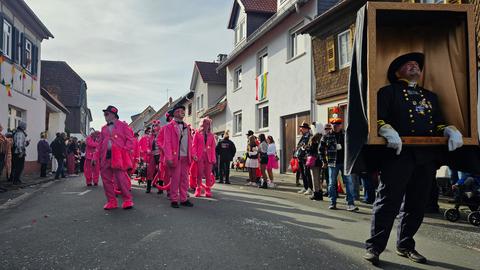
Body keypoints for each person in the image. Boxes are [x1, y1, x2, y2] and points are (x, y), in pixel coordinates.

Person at [363, 53, 463, 265]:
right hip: (398, 155)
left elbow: (437, 123)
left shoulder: (430, 96)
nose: (414, 66)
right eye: (408, 64)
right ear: (396, 71)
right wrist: (386, 129)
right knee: (387, 201)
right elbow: (377, 118)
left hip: (425, 156)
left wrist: (449, 130)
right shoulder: (388, 92)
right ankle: (375, 246)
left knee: (417, 204)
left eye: (416, 64)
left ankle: (405, 245)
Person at [98, 105, 135, 210]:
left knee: (121, 180)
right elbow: (100, 144)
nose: (105, 115)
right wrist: (97, 157)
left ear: (113, 114)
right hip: (106, 156)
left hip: (118, 156)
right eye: (104, 114)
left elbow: (130, 139)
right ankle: (111, 201)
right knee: (106, 180)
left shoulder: (123, 125)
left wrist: (124, 150)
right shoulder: (103, 128)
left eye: (107, 113)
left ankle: (127, 200)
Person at [320, 117, 358, 211]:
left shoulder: (346, 134)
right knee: (332, 183)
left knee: (349, 183)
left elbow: (353, 147)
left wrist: (352, 159)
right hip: (332, 163)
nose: (336, 126)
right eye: (334, 125)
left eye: (338, 124)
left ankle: (350, 204)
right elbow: (320, 150)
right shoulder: (326, 136)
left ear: (341, 125)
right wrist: (324, 161)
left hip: (345, 163)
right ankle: (333, 203)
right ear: (331, 125)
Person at [163, 104, 194, 208]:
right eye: (181, 110)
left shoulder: (186, 126)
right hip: (176, 157)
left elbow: (190, 142)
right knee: (175, 179)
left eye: (183, 111)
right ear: (175, 112)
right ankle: (174, 199)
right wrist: (169, 157)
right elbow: (166, 143)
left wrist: (192, 154)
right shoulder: (168, 127)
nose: (183, 112)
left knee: (185, 179)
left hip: (186, 156)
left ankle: (184, 198)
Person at [192, 117, 217, 197]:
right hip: (199, 156)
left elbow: (213, 147)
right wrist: (194, 155)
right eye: (206, 123)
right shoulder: (197, 133)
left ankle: (208, 189)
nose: (207, 125)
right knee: (199, 173)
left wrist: (213, 158)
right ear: (202, 124)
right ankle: (198, 189)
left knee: (208, 174)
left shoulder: (211, 135)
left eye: (208, 124)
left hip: (209, 157)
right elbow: (194, 145)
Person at [295, 122, 313, 195]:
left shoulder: (310, 136)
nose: (300, 129)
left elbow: (308, 146)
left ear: (306, 129)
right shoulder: (303, 136)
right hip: (300, 157)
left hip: (306, 157)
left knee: (307, 173)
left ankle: (310, 188)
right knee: (303, 173)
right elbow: (299, 145)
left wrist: (303, 148)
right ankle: (305, 187)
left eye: (302, 128)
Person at [146, 120, 162, 194]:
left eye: (156, 125)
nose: (154, 127)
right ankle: (148, 188)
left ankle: (160, 189)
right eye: (153, 126)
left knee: (160, 171)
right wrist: (148, 150)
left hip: (160, 154)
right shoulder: (150, 136)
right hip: (152, 155)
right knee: (150, 171)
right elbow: (148, 146)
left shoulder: (162, 134)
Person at [307, 133, 323, 201]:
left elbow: (309, 152)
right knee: (319, 179)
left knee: (314, 179)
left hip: (314, 163)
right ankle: (320, 193)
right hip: (320, 163)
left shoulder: (313, 144)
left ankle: (315, 194)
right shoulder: (321, 144)